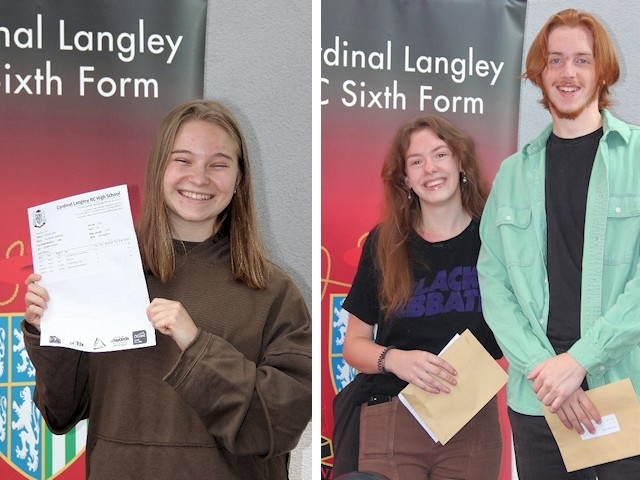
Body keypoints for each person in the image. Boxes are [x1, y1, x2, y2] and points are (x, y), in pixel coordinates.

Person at [23, 99, 312, 479]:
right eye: (183, 160)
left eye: (219, 164)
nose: (199, 177)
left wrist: (197, 346)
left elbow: (279, 425)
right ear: (160, 167)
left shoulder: (274, 291)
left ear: (239, 179)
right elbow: (61, 412)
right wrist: (49, 331)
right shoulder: (101, 273)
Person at [477, 9, 640, 480]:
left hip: (622, 390)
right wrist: (548, 371)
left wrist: (580, 362)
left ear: (602, 70)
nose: (568, 73)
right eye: (555, 60)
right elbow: (494, 282)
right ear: (539, 73)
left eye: (582, 60)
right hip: (539, 398)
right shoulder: (511, 174)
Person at [340, 115, 503, 480]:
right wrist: (397, 360)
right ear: (405, 180)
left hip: (470, 417)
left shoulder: (496, 239)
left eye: (440, 154)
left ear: (461, 162)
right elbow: (353, 345)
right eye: (416, 161)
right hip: (393, 415)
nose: (430, 168)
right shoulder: (384, 243)